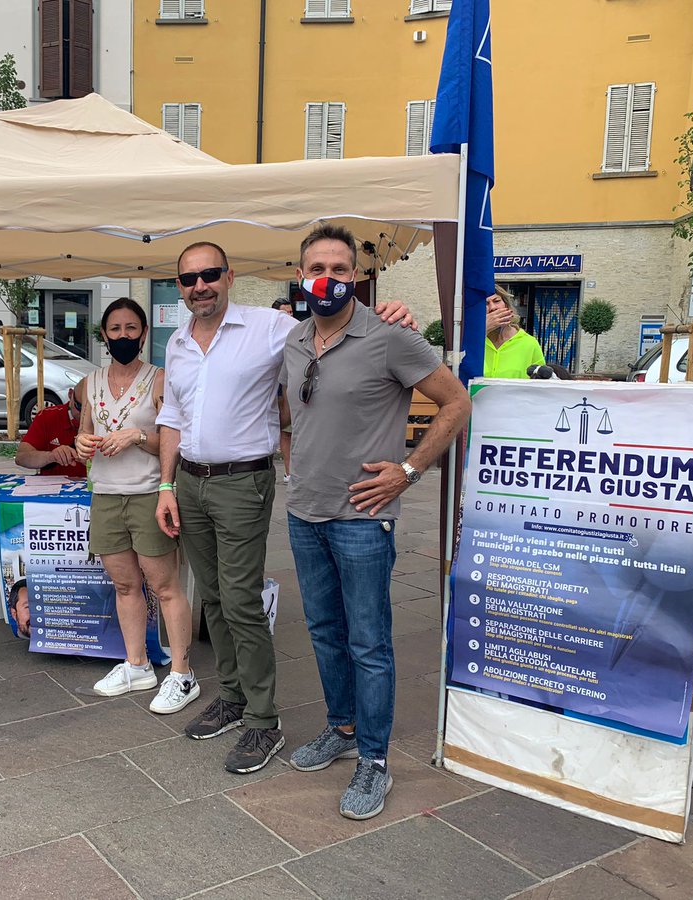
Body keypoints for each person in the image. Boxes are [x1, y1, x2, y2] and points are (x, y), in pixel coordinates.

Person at [155, 241, 414, 775]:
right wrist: (163, 485)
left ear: (229, 276)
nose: (199, 285)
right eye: (188, 279)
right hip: (189, 483)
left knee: (242, 601)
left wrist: (393, 313)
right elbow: (172, 416)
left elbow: (336, 325)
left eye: (209, 274)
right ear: (180, 287)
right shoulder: (177, 343)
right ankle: (232, 695)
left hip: (242, 482)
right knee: (215, 601)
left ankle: (263, 720)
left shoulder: (271, 329)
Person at [280, 224, 470, 820]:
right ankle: (340, 729)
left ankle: (375, 760)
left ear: (357, 277)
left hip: (363, 518)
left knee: (368, 643)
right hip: (304, 513)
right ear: (300, 272)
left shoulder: (389, 335)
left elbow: (457, 403)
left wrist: (409, 472)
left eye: (340, 269)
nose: (328, 278)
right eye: (318, 267)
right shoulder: (293, 339)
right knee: (323, 632)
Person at [75, 298, 199, 715]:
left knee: (164, 586)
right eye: (115, 329)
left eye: (131, 328)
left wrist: (135, 437)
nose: (123, 336)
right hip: (106, 494)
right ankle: (137, 665)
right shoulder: (89, 383)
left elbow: (171, 438)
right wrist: (82, 443)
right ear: (104, 335)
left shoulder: (159, 379)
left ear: (144, 334)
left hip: (149, 494)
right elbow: (83, 434)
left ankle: (182, 673)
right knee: (125, 585)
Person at [15, 388, 87, 478]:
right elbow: (21, 457)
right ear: (70, 394)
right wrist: (51, 456)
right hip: (54, 488)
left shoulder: (106, 420)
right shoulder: (47, 417)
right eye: (80, 406)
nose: (85, 413)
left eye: (91, 408)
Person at [484, 287, 545, 378]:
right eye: (486, 303)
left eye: (496, 301)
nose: (493, 308)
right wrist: (483, 331)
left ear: (508, 307)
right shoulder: (472, 343)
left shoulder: (529, 343)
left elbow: (541, 381)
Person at [271, 298, 296, 484]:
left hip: (291, 382)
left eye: (291, 312)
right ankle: (288, 472)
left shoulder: (298, 331)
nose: (289, 316)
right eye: (284, 313)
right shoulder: (269, 334)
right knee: (285, 430)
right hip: (276, 384)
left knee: (294, 428)